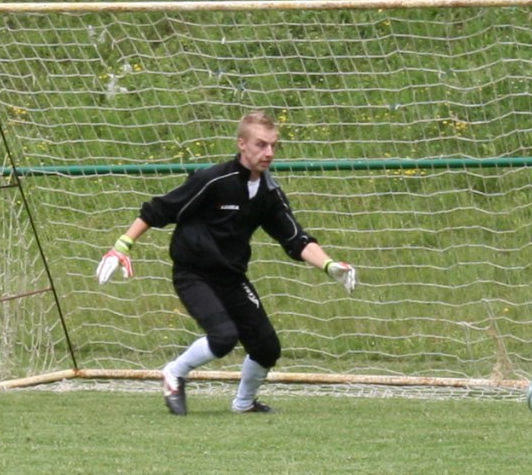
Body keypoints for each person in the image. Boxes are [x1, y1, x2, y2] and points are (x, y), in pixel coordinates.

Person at [98, 111, 357, 415]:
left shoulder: (269, 193)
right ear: (242, 144)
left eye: (273, 145)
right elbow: (158, 210)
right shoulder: (213, 180)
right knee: (223, 337)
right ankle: (174, 373)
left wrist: (329, 266)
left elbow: (296, 239)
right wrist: (121, 247)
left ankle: (244, 404)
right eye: (261, 144)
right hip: (193, 274)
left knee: (267, 349)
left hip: (232, 278)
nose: (269, 152)